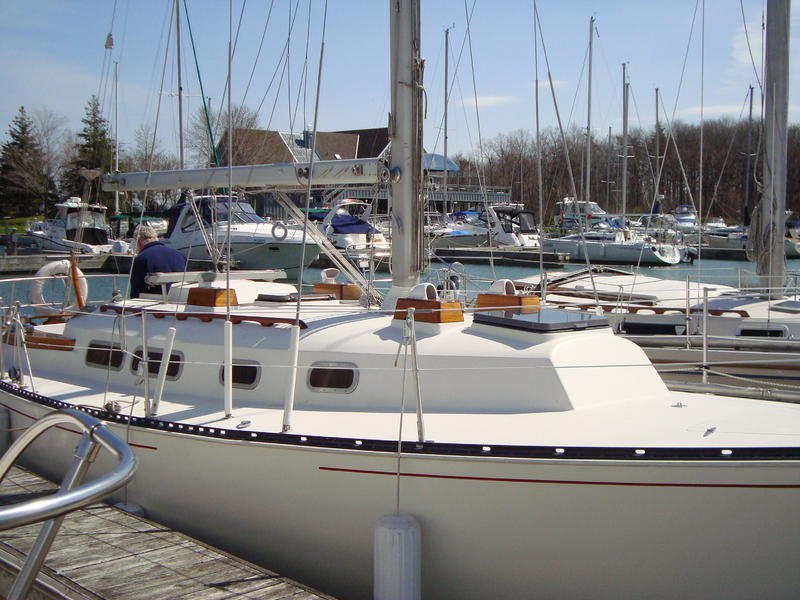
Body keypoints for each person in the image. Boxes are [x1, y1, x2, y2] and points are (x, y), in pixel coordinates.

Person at [130, 225, 187, 298]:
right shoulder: (179, 255)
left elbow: (136, 289)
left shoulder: (142, 258)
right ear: (155, 238)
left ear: (138, 241)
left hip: (154, 301)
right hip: (179, 299)